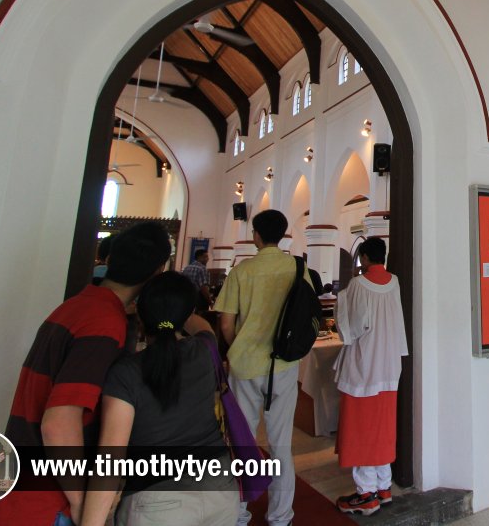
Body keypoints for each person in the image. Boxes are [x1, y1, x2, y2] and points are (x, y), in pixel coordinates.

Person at [0, 221, 173, 526]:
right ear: (157, 272)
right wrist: (81, 502)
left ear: (110, 259)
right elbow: (58, 422)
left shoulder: (75, 307)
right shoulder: (104, 324)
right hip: (46, 502)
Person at [81, 272, 237, 526]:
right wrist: (178, 313)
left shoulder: (126, 373)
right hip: (221, 487)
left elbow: (110, 464)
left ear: (139, 314)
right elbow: (203, 326)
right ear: (188, 315)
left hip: (158, 500)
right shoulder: (204, 350)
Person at [214, 209, 312, 526]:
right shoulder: (298, 268)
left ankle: (239, 514)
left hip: (244, 366)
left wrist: (237, 346)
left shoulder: (243, 271)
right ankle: (280, 516)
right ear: (283, 235)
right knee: (280, 443)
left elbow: (225, 322)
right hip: (283, 365)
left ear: (256, 235)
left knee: (241, 441)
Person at [333, 237, 409, 516]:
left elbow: (351, 327)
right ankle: (384, 486)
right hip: (389, 364)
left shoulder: (358, 284)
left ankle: (366, 494)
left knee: (362, 427)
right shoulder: (394, 282)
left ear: (364, 257)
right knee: (382, 426)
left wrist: (348, 290)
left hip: (364, 367)